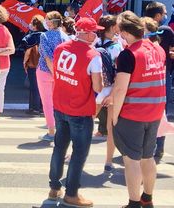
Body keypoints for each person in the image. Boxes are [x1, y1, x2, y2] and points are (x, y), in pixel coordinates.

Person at [111, 11, 166, 208]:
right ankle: (147, 198)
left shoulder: (128, 55)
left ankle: (133, 203)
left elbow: (120, 89)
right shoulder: (157, 49)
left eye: (118, 30)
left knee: (131, 160)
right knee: (148, 157)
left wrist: (115, 116)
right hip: (155, 112)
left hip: (133, 114)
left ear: (125, 32)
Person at [48, 18, 103, 207]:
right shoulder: (92, 55)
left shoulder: (61, 48)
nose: (96, 35)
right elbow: (98, 86)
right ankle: (71, 193)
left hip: (60, 105)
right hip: (80, 109)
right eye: (94, 31)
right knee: (79, 152)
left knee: (59, 147)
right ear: (86, 33)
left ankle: (54, 187)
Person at [144, 1, 174, 162]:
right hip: (162, 75)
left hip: (142, 77)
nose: (165, 16)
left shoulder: (138, 28)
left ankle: (145, 146)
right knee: (160, 110)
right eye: (163, 14)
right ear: (157, 16)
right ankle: (158, 147)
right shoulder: (167, 30)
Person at [94, 15, 124, 172]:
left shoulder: (94, 44)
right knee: (111, 127)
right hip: (111, 90)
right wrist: (112, 93)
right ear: (112, 28)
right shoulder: (116, 47)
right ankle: (108, 161)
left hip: (95, 90)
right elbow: (119, 73)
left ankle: (74, 153)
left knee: (85, 124)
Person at [37, 11, 69, 142]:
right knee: (59, 103)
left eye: (46, 19)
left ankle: (51, 131)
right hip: (62, 73)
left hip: (45, 71)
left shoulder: (45, 36)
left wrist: (54, 73)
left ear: (50, 22)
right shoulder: (65, 37)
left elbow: (48, 57)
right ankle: (60, 130)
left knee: (47, 103)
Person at [21, 15, 45, 115]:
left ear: (35, 26)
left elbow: (28, 51)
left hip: (33, 64)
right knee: (43, 87)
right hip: (44, 64)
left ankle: (34, 108)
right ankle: (42, 107)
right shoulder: (46, 35)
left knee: (34, 86)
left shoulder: (31, 37)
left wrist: (24, 62)